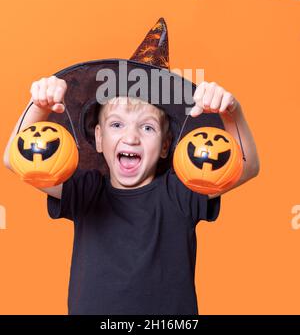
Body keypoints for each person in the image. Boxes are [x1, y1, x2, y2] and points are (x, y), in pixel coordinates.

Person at [3, 18, 260, 315]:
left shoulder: (180, 193)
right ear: (99, 138)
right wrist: (40, 105)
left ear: (166, 146)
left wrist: (232, 113)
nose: (131, 137)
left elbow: (247, 166)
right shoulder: (86, 191)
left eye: (148, 128)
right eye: (116, 124)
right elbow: (14, 159)